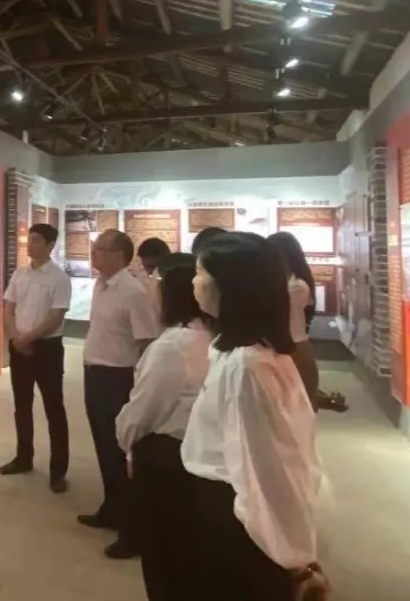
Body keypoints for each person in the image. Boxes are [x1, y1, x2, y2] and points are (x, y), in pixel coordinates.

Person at [181, 232, 329, 601]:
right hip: (219, 500)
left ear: (231, 287)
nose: (194, 282)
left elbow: (269, 466)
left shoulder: (248, 367)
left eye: (201, 273)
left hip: (236, 514)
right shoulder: (236, 351)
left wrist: (295, 557)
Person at [116, 252, 212, 599]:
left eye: (157, 286)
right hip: (197, 458)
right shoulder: (211, 338)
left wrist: (128, 445)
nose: (150, 293)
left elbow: (142, 412)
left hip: (167, 460)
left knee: (164, 560)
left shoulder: (172, 347)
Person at [78, 228, 159, 559]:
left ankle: (131, 530)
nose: (93, 252)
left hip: (118, 377)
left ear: (119, 256)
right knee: (102, 445)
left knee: (120, 452)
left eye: (100, 248)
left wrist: (140, 385)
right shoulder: (101, 285)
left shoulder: (133, 292)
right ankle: (111, 509)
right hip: (95, 373)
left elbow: (146, 341)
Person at [0, 223, 72, 493]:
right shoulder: (20, 274)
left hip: (47, 349)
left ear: (50, 245)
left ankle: (58, 471)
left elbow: (56, 317)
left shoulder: (59, 278)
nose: (30, 245)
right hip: (19, 346)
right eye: (29, 240)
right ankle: (23, 457)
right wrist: (15, 337)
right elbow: (8, 307)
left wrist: (29, 338)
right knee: (22, 405)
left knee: (54, 409)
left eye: (37, 241)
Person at [267, 232, 321, 408]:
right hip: (285, 349)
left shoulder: (296, 286)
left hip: (295, 351)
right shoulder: (288, 283)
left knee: (296, 409)